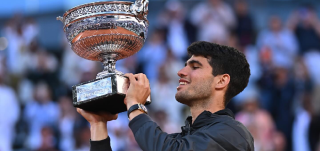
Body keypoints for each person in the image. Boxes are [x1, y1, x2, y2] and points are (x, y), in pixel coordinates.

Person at [77, 41, 254, 151]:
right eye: (185, 65)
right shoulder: (182, 139)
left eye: (195, 66)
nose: (181, 71)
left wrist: (135, 106)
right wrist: (98, 125)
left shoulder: (234, 134)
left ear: (221, 81)